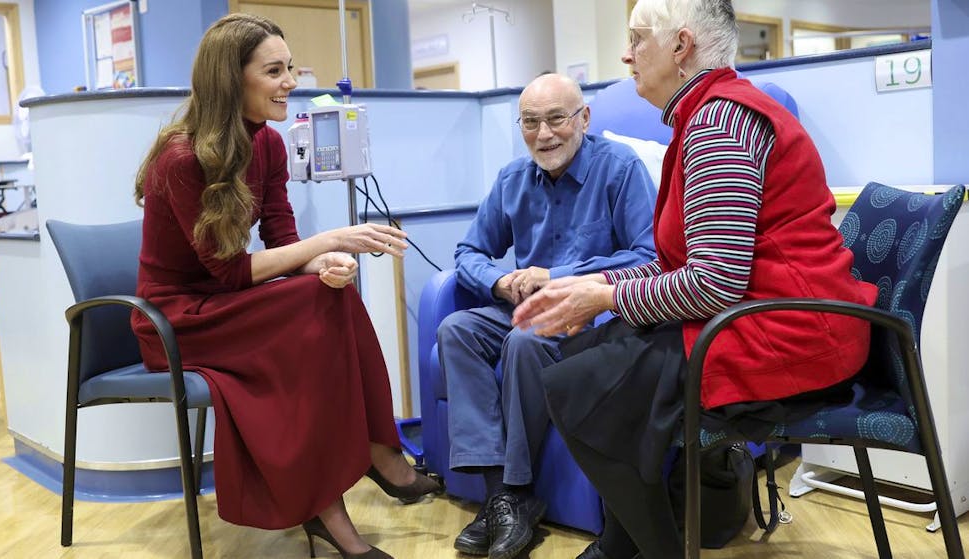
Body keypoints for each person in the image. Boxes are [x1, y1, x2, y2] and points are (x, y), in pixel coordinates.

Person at [511, 2, 878, 558]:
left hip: (793, 331)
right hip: (768, 315)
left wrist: (606, 294)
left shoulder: (719, 122)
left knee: (584, 383)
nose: (626, 55)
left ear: (680, 47)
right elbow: (686, 262)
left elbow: (713, 283)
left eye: (637, 39)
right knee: (593, 358)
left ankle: (641, 546)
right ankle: (628, 541)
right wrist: (596, 293)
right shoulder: (704, 115)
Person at [130, 14, 438, 559]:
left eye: (289, 67)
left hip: (227, 301)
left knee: (327, 292)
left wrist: (325, 265)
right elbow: (228, 271)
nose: (291, 81)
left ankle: (368, 458)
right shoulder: (181, 159)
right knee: (311, 308)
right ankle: (348, 486)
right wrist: (329, 242)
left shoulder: (268, 144)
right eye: (274, 71)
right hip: (177, 318)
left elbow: (282, 238)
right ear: (232, 79)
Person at [437, 73, 658, 559]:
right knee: (456, 329)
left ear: (584, 118)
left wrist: (556, 275)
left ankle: (515, 490)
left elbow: (648, 257)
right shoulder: (512, 178)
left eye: (556, 119)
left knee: (525, 339)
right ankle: (502, 497)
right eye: (531, 122)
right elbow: (469, 250)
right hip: (522, 307)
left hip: (592, 312)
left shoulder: (619, 169)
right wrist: (498, 282)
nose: (544, 134)